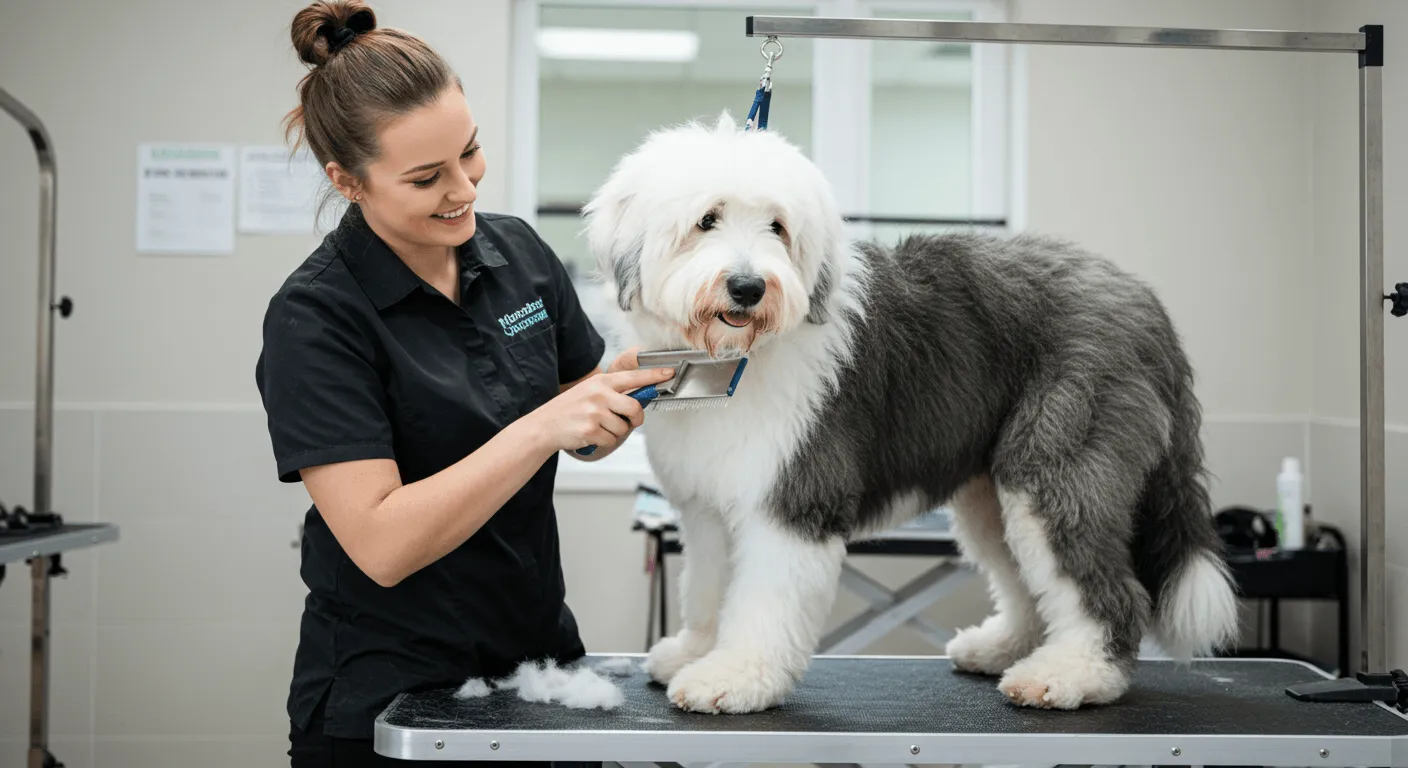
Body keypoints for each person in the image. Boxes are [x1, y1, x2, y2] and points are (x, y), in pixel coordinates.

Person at [254, 2, 674, 764]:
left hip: (537, 666)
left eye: (470, 153)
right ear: (346, 179)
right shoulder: (315, 319)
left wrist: (612, 401)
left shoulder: (515, 252)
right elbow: (381, 543)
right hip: (389, 701)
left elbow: (576, 424)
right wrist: (544, 426)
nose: (464, 190)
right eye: (426, 178)